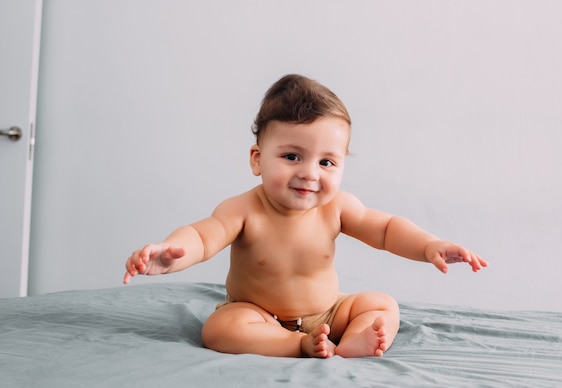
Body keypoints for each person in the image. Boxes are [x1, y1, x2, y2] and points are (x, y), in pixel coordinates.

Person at [123, 74, 488, 359]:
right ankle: (296, 346)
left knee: (382, 305)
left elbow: (387, 229)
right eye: (292, 157)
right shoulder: (244, 209)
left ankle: (354, 340)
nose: (310, 173)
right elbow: (203, 237)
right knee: (220, 329)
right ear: (257, 158)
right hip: (257, 314)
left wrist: (429, 247)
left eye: (326, 161)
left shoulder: (337, 207)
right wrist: (171, 252)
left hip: (329, 313)